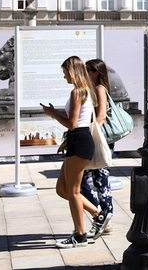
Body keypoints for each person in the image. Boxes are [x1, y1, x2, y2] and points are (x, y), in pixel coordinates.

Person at [40, 56, 98, 248]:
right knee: (62, 189)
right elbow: (77, 120)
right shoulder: (85, 91)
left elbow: (72, 124)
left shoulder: (77, 92)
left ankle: (79, 235)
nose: (64, 75)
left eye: (65, 71)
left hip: (79, 140)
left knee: (72, 191)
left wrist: (52, 113)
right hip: (77, 140)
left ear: (72, 71)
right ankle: (98, 213)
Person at [81, 59, 113, 238]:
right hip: (92, 138)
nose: (84, 73)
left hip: (98, 139)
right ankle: (101, 216)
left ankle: (105, 218)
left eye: (87, 70)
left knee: (101, 181)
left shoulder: (100, 89)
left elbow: (100, 117)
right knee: (83, 181)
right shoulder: (89, 90)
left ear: (96, 73)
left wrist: (90, 136)